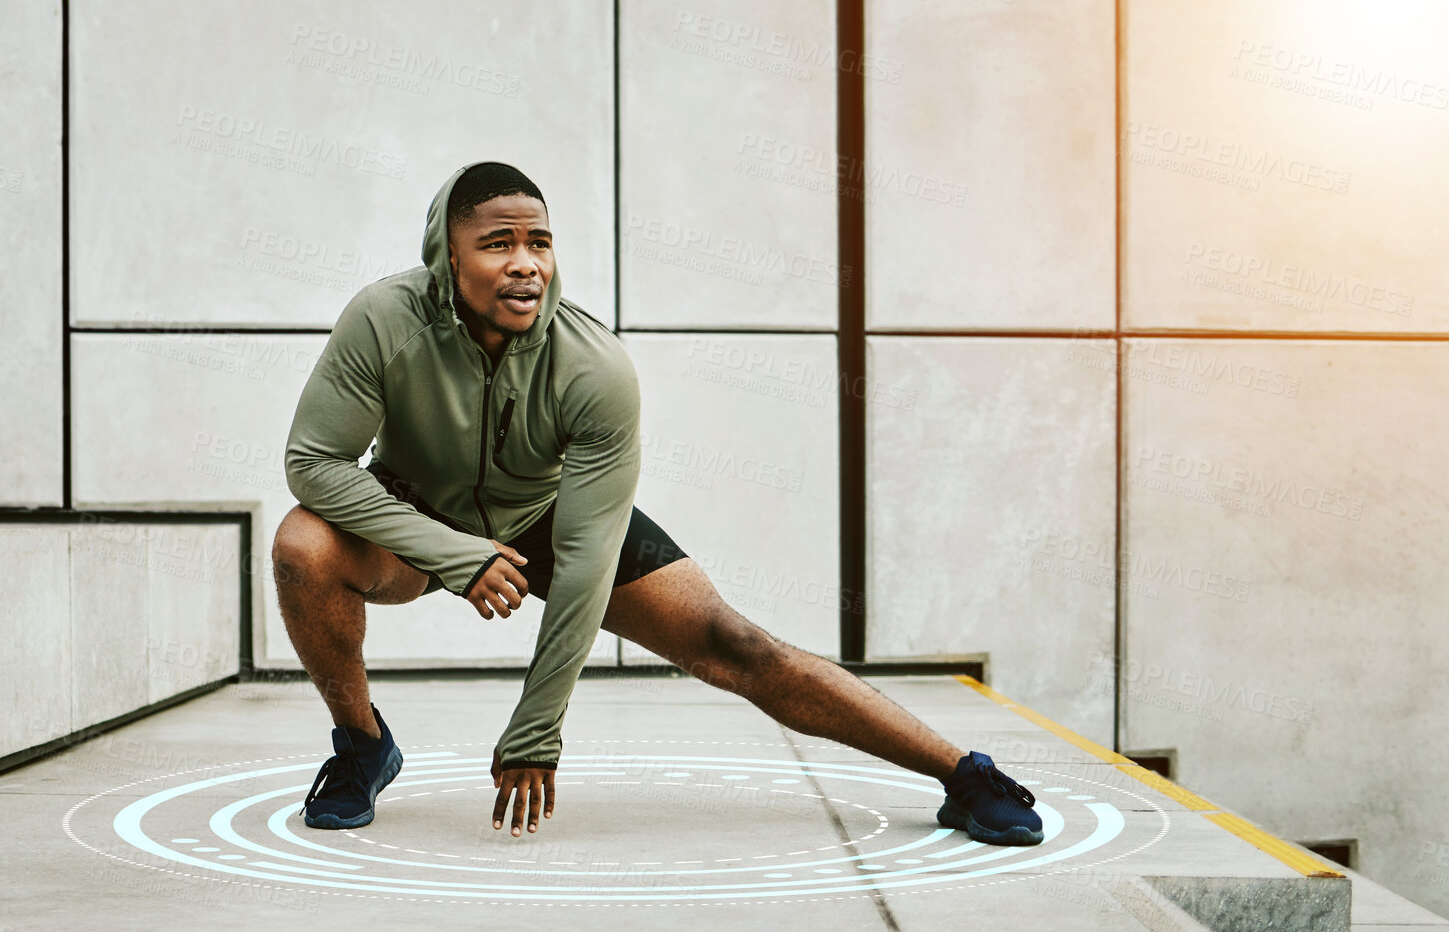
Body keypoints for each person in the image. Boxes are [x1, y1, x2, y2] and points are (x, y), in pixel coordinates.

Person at [273, 161, 1041, 846]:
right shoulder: (383, 319)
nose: (524, 264)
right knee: (301, 547)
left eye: (538, 243)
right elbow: (312, 462)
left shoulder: (593, 365)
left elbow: (582, 563)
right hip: (410, 513)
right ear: (446, 252)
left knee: (734, 644)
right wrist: (455, 554)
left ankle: (965, 773)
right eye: (497, 242)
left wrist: (537, 724)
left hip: (546, 515)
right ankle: (361, 746)